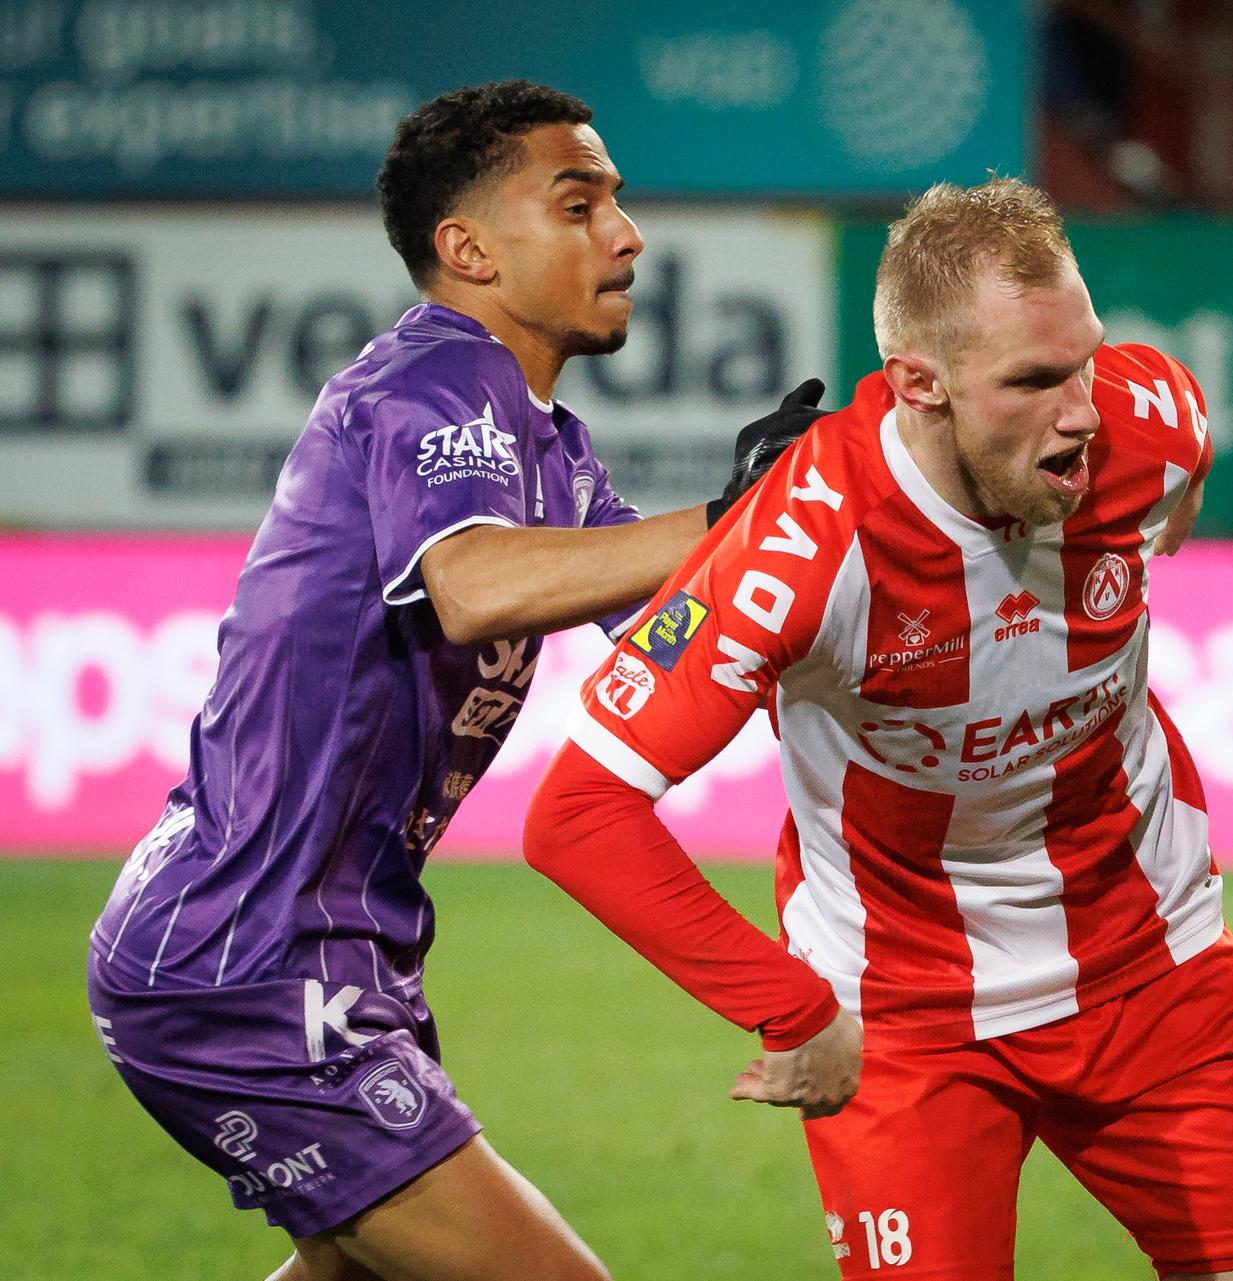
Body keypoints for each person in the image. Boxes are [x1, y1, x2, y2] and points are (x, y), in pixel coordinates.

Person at [84, 80, 840, 1281]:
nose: (627, 235)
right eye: (580, 203)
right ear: (468, 248)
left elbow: (667, 615)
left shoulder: (546, 442)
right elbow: (477, 587)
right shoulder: (431, 382)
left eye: (618, 204)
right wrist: (735, 516)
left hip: (323, 941)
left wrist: (819, 525)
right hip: (249, 953)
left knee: (355, 1271)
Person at [525, 177, 1233, 1280]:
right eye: (1034, 382)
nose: (1083, 411)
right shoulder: (804, 542)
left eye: (1086, 359)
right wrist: (790, 1011)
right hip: (902, 1017)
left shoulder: (1142, 420)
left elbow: (1176, 473)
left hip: (1154, 970)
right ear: (920, 385)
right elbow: (576, 815)